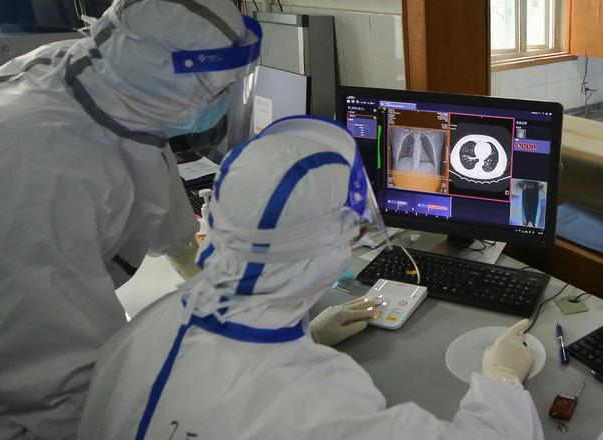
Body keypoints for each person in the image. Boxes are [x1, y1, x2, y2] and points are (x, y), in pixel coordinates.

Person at [78, 116, 543, 440]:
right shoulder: (321, 400)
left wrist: (311, 337)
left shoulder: (142, 329)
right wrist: (502, 379)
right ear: (320, 251)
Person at [0, 0, 267, 439]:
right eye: (216, 89)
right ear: (169, 81)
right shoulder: (38, 174)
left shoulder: (103, 78)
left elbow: (144, 145)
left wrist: (224, 296)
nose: (222, 103)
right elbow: (60, 390)